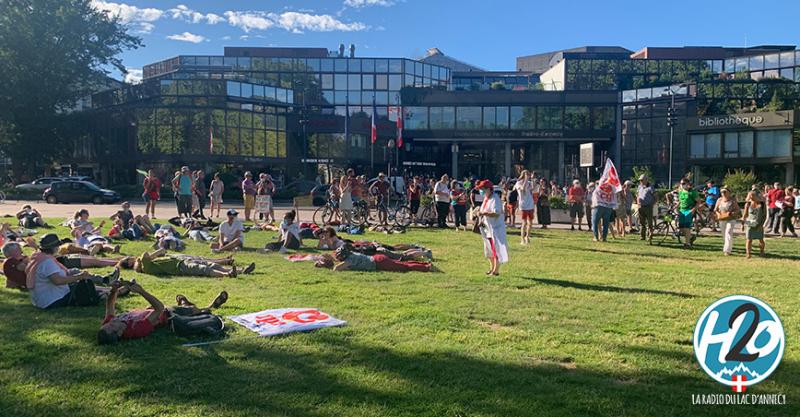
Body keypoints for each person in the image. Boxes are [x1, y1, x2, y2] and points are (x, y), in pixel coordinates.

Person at [97, 280, 229, 344]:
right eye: (112, 325)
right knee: (193, 310)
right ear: (119, 333)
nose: (112, 320)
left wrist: (114, 290)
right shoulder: (137, 329)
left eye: (108, 323)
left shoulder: (109, 324)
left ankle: (185, 302)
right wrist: (141, 291)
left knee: (191, 309)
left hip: (153, 309)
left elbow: (110, 305)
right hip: (168, 315)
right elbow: (159, 308)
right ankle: (208, 306)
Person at [25, 234, 111, 309]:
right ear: (54, 247)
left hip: (42, 299)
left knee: (83, 284)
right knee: (86, 289)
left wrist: (76, 275)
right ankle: (112, 291)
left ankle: (109, 289)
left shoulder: (37, 257)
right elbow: (58, 281)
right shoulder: (47, 262)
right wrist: (79, 277)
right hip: (52, 300)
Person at [132, 250, 253, 277]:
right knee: (203, 269)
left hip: (182, 261)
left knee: (211, 265)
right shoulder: (147, 267)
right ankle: (228, 275)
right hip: (180, 267)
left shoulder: (149, 265)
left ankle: (241, 270)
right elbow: (146, 254)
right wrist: (139, 260)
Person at [315, 245, 432, 273]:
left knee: (404, 267)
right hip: (378, 258)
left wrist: (324, 265)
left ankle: (427, 267)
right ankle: (425, 264)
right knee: (399, 263)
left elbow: (336, 269)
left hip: (379, 263)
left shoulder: (348, 261)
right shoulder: (351, 256)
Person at [475, 179, 508, 276]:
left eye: (483, 189)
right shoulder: (486, 198)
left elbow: (496, 213)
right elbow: (482, 210)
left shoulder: (495, 199)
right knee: (488, 250)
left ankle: (496, 270)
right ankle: (491, 268)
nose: (481, 191)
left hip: (495, 228)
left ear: (489, 189)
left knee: (495, 249)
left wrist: (484, 213)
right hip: (486, 228)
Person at [714, 187, 741, 256]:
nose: (723, 193)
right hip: (722, 219)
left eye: (725, 192)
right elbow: (716, 209)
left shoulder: (732, 200)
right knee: (724, 234)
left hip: (731, 219)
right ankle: (728, 245)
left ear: (729, 192)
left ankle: (727, 250)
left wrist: (731, 213)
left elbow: (738, 210)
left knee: (728, 232)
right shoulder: (719, 200)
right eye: (722, 192)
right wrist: (718, 214)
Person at [677, 179, 702, 248]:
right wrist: (676, 207)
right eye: (681, 183)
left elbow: (698, 202)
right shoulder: (681, 191)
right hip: (681, 210)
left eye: (684, 183)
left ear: (688, 184)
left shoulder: (692, 192)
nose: (682, 185)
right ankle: (691, 237)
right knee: (681, 228)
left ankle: (687, 243)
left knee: (687, 227)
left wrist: (693, 210)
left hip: (689, 210)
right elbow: (680, 201)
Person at [742, 190, 767, 258]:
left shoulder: (762, 204)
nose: (751, 197)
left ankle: (762, 251)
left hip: (759, 224)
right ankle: (748, 253)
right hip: (749, 224)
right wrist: (743, 224)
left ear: (756, 196)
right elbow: (745, 215)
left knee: (760, 239)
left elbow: (764, 216)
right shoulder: (748, 204)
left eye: (752, 195)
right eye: (750, 195)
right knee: (749, 239)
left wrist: (761, 225)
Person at [515, 171, 534, 245]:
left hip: (530, 204)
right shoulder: (518, 183)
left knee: (530, 222)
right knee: (524, 222)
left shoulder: (529, 182)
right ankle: (522, 239)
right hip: (523, 205)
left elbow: (532, 190)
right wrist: (525, 180)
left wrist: (532, 180)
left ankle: (527, 236)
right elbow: (522, 189)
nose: (528, 176)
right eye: (527, 175)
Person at [636, 175, 656, 241]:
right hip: (641, 207)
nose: (640, 181)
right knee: (642, 223)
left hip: (648, 207)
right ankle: (642, 236)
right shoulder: (639, 187)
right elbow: (638, 195)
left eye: (642, 180)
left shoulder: (651, 187)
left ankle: (650, 235)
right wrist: (638, 202)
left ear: (646, 180)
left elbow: (655, 196)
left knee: (649, 222)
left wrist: (653, 204)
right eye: (640, 180)